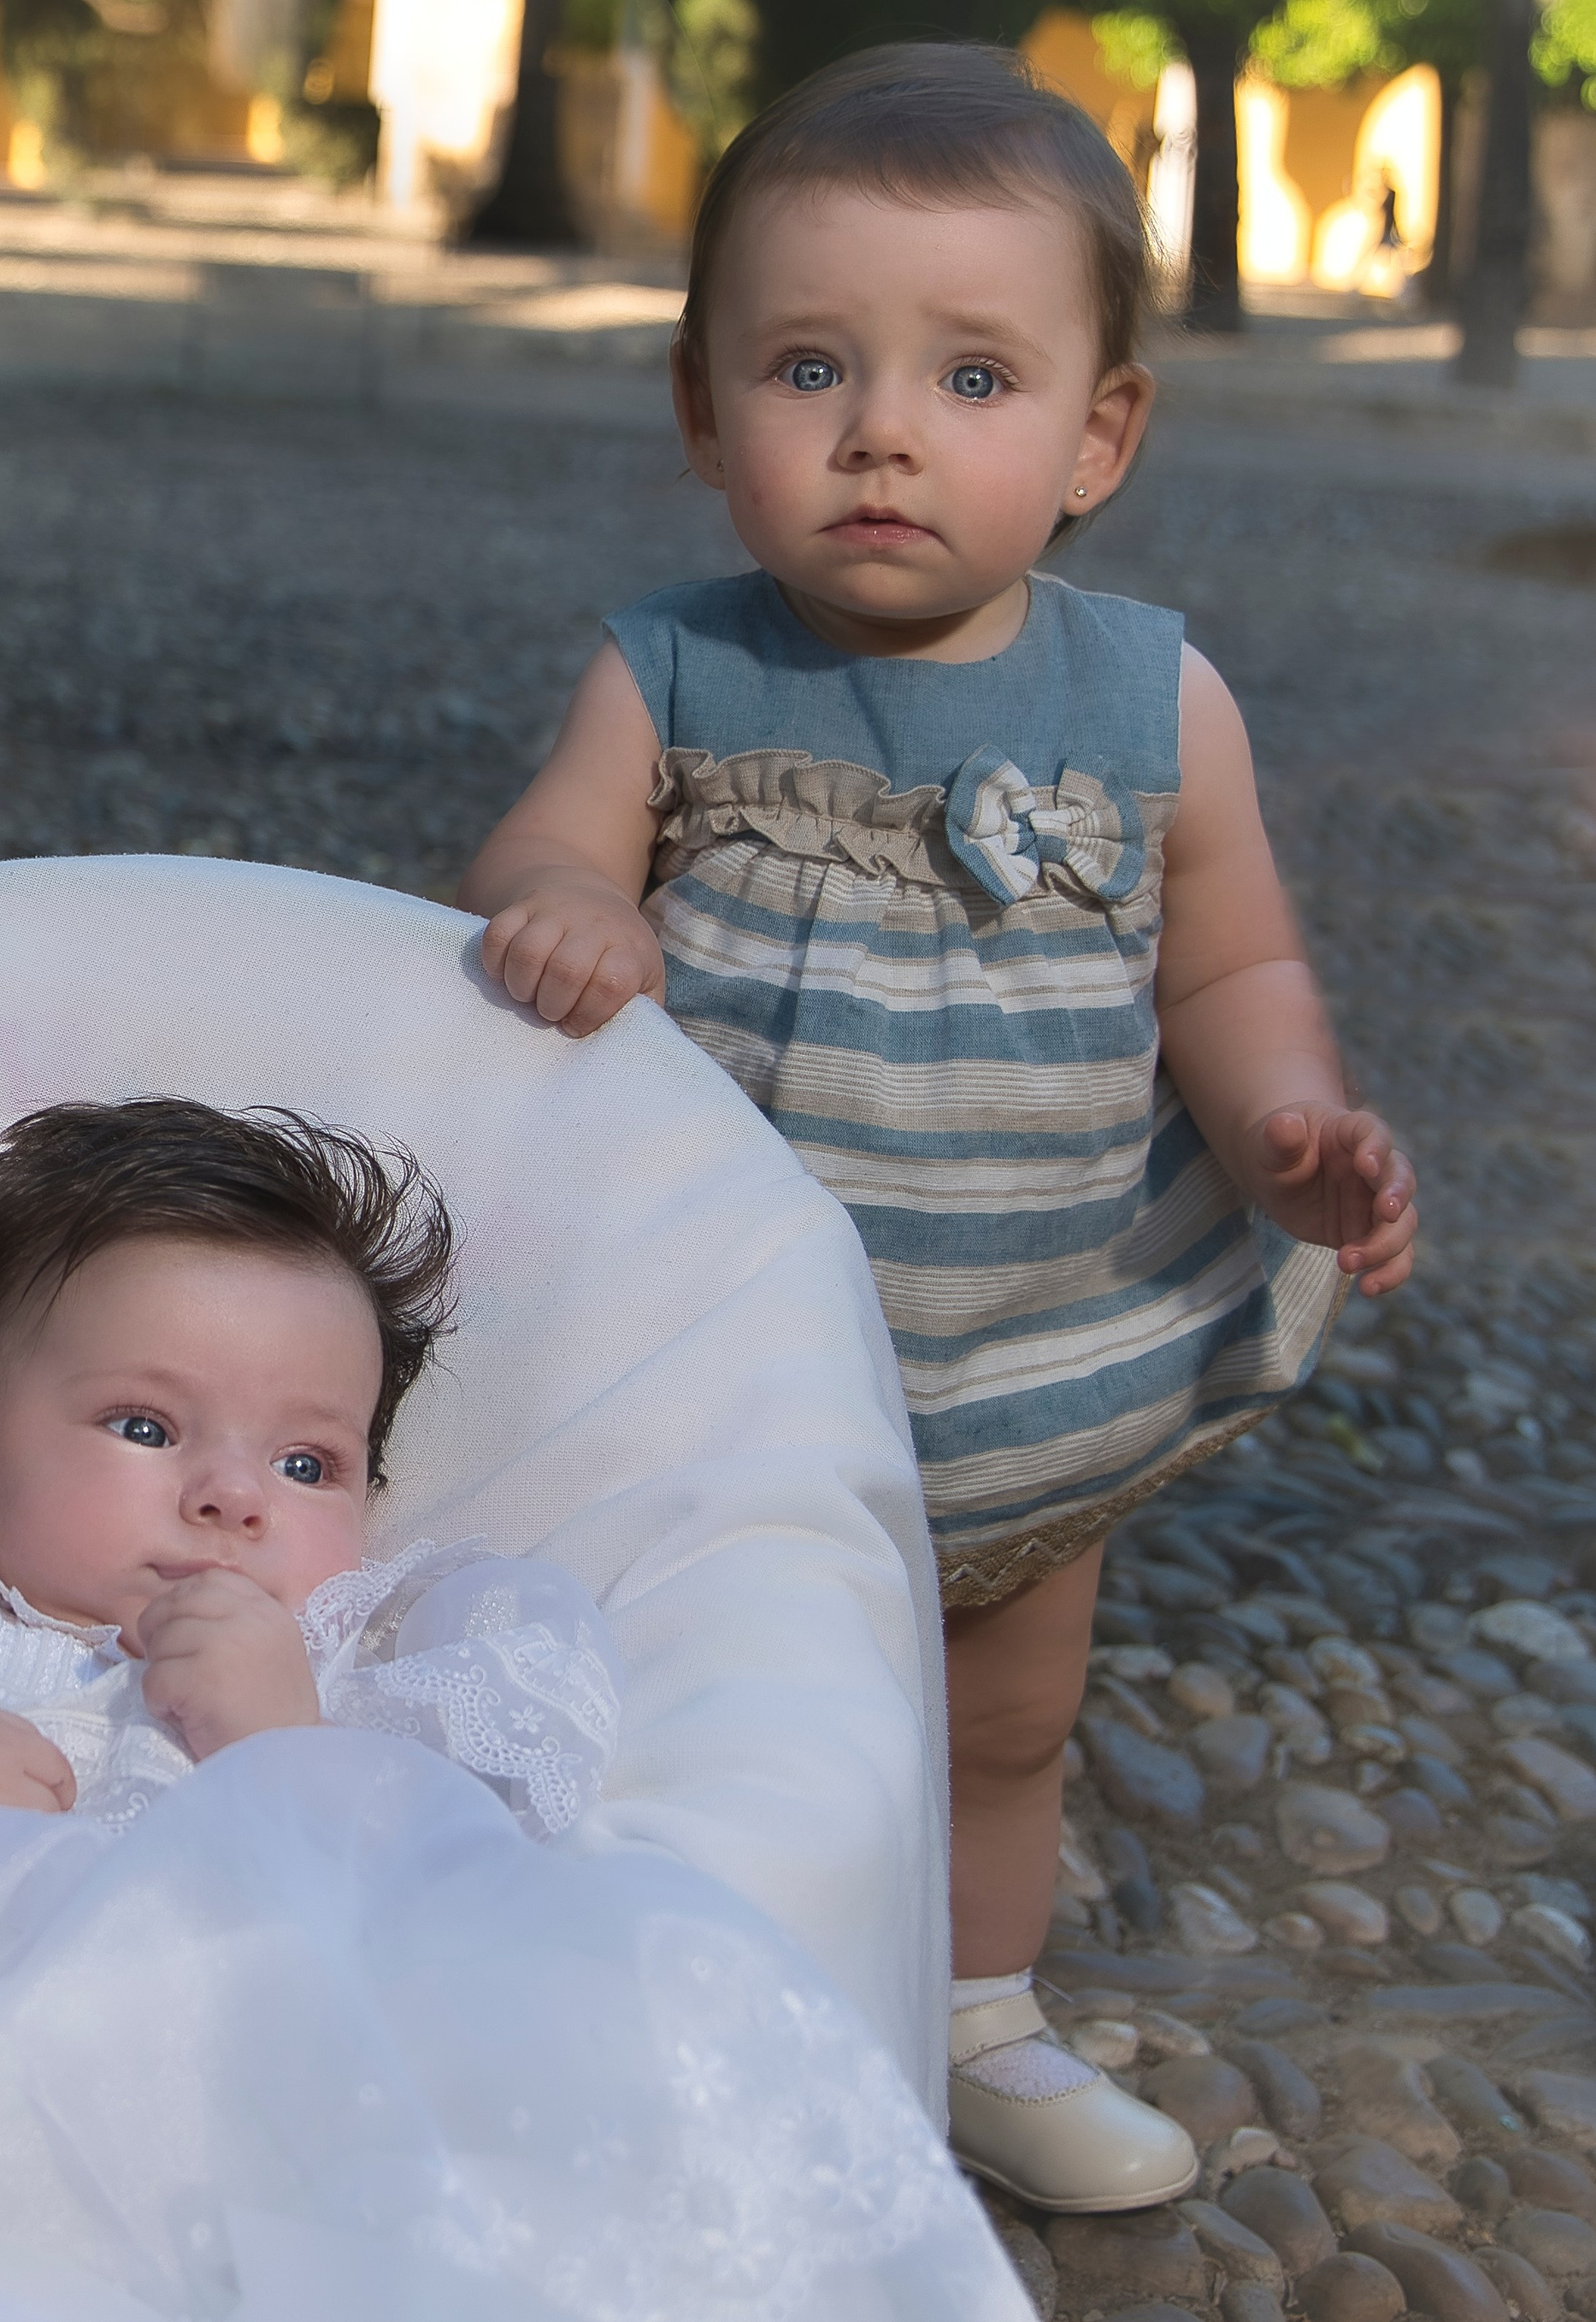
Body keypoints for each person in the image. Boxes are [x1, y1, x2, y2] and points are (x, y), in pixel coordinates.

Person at [458, 43, 1417, 2215]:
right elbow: (532, 844)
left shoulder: (1149, 698)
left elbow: (1224, 971)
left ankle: (974, 2012)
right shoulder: (675, 671)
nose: (880, 428)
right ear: (703, 411)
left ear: (1098, 434)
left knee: (998, 1723)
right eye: (807, 366)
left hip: (1016, 1348)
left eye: (972, 379)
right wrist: (573, 899)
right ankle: (652, 1993)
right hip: (708, 1370)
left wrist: (1287, 1125)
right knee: (672, 1687)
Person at [0, 1095, 1033, 2317]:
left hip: (178, 2103)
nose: (233, 1498)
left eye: (309, 1461)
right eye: (142, 1423)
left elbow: (473, 1892)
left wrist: (293, 1753)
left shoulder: (367, 1654)